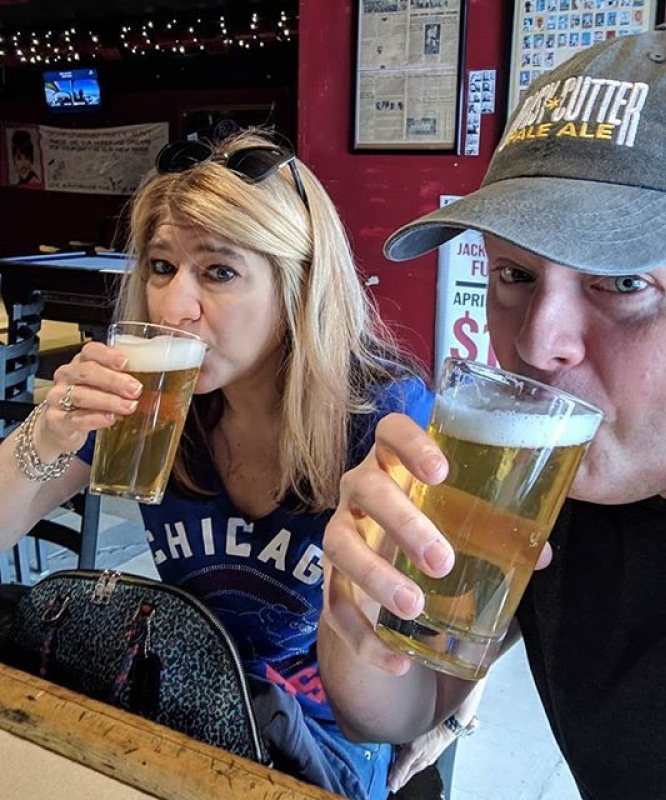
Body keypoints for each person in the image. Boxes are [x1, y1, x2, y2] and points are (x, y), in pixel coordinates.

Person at [319, 25, 666, 799]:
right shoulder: (544, 460)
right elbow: (401, 708)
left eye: (624, 281)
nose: (538, 344)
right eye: (514, 274)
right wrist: (363, 610)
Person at [0, 130, 443, 800]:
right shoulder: (157, 401)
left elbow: (448, 612)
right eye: (161, 266)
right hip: (188, 703)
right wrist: (48, 430)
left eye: (219, 272)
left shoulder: (382, 417)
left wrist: (453, 711)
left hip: (322, 743)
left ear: (298, 286)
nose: (173, 307)